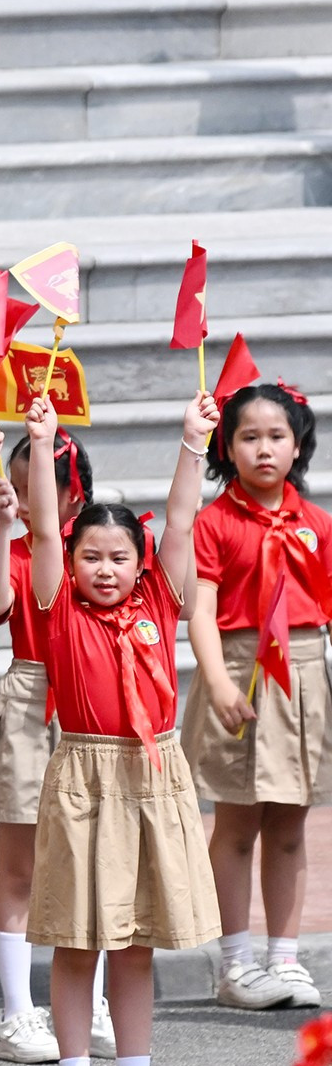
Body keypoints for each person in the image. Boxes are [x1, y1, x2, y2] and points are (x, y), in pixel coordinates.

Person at [24, 388, 224, 1066]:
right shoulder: (58, 607)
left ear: (141, 565)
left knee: (137, 941)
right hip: (87, 776)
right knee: (79, 941)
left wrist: (192, 442)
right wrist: (42, 445)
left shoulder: (161, 602)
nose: (104, 570)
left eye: (119, 559)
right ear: (70, 563)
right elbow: (43, 529)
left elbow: (180, 521)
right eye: (90, 557)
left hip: (154, 773)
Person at [185, 381, 332, 1012]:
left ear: (298, 444)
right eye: (249, 437)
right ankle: (236, 963)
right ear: (228, 447)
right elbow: (201, 609)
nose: (264, 449)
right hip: (240, 672)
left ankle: (286, 959)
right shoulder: (214, 523)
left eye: (277, 436)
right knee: (238, 824)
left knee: (292, 827)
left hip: (302, 675)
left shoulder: (318, 523)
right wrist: (217, 680)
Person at [0, 432, 118, 1063]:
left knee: (93, 860)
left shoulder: (93, 552)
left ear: (73, 489)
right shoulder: (21, 547)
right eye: (24, 482)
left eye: (47, 486)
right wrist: (4, 528)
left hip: (87, 699)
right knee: (21, 865)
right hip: (31, 697)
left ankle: (96, 1002)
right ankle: (17, 1012)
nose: (35, 498)